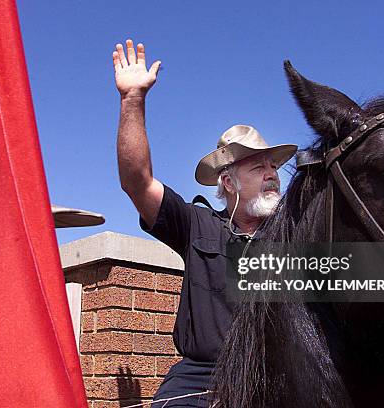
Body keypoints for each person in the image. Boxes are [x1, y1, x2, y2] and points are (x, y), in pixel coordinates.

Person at [112, 39, 297, 407]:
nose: (272, 174)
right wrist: (132, 100)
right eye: (258, 167)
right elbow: (137, 182)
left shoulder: (294, 238)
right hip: (201, 377)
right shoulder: (197, 224)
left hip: (275, 376)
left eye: (274, 166)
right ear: (227, 182)